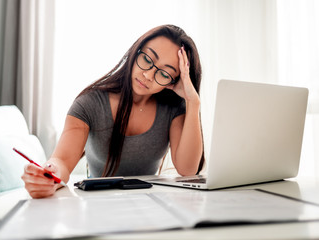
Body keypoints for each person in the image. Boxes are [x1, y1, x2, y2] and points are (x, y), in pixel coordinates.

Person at [22, 24, 205, 198]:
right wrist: (48, 173)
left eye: (164, 74)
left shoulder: (173, 109)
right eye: (147, 59)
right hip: (98, 204)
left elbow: (187, 169)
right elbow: (61, 160)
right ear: (135, 52)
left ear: (175, 80)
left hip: (148, 205)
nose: (148, 75)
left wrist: (193, 102)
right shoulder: (90, 103)